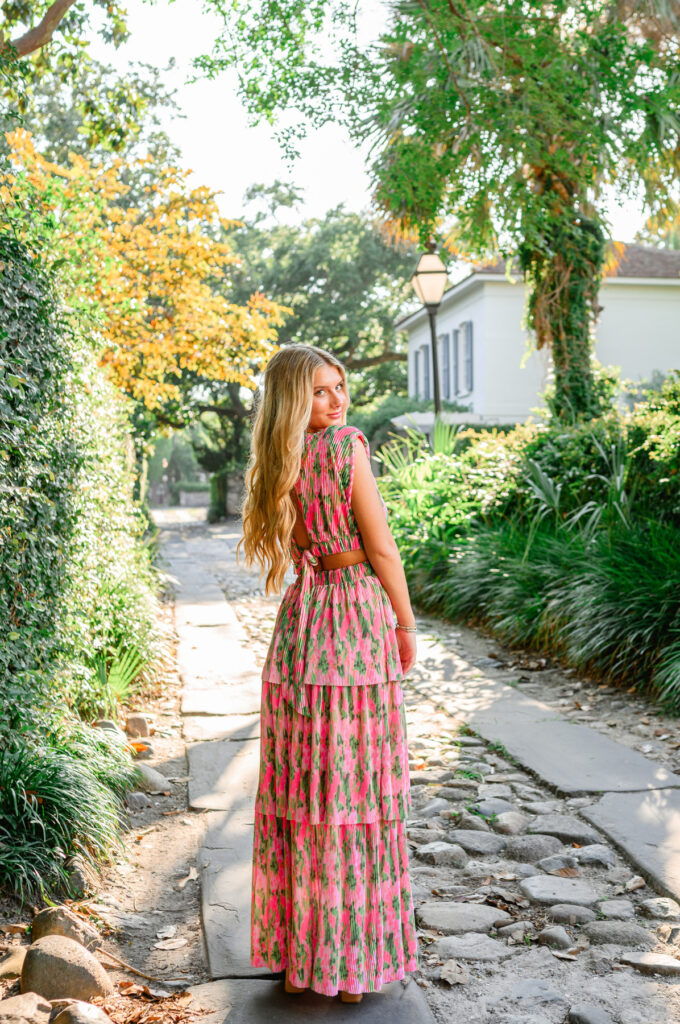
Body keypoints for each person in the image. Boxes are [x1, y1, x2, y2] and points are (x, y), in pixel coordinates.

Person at [237, 343, 419, 1002]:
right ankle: (351, 966)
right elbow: (380, 547)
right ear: (294, 399)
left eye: (339, 387)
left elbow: (296, 546)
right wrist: (404, 622)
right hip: (355, 620)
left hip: (302, 625)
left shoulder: (276, 462)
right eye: (320, 390)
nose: (337, 400)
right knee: (355, 788)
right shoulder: (346, 449)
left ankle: (302, 959)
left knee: (305, 791)